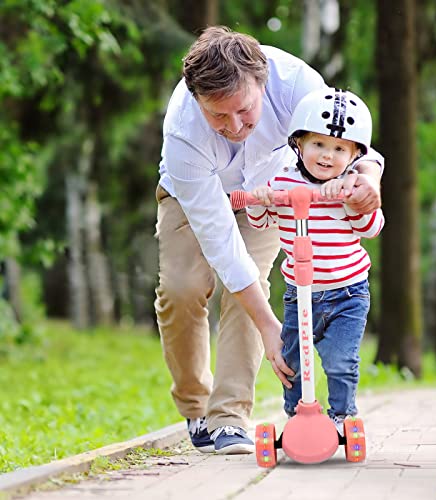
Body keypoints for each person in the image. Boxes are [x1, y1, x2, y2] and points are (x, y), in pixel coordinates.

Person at [154, 26, 384, 455]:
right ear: (197, 100)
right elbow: (219, 239)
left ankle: (229, 418)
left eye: (243, 110)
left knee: (251, 289)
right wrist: (269, 325)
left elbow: (351, 142)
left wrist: (368, 179)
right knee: (181, 291)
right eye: (217, 116)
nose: (234, 126)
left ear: (262, 82)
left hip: (269, 196)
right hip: (194, 197)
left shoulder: (298, 83)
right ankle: (194, 405)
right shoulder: (183, 130)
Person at [246, 88, 384, 435]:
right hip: (299, 292)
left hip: (347, 293)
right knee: (291, 358)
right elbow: (261, 222)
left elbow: (373, 226)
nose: (327, 156)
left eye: (339, 149)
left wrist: (355, 203)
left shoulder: (349, 186)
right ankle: (296, 419)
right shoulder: (283, 182)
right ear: (299, 145)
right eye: (318, 145)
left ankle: (341, 418)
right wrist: (261, 199)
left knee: (340, 361)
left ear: (353, 155)